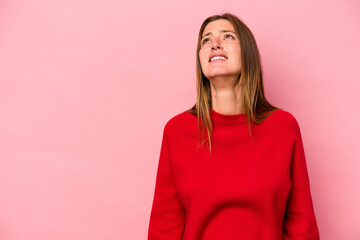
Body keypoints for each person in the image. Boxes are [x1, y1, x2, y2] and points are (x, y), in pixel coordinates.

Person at [147, 13, 320, 240]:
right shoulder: (177, 131)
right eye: (206, 40)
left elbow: (302, 226)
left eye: (228, 36)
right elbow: (164, 228)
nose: (215, 44)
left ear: (248, 54)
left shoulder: (283, 127)